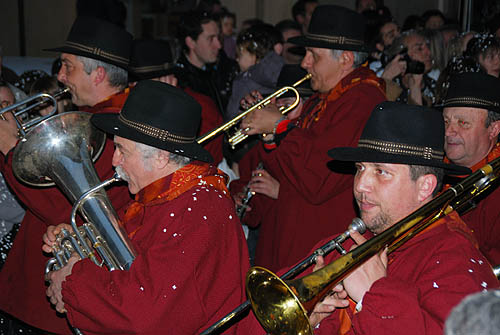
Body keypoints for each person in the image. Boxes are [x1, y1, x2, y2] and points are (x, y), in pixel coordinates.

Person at [237, 101, 499, 335]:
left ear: (425, 187)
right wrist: (310, 322)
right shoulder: (346, 245)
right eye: (360, 168)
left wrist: (373, 294)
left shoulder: (458, 261)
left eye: (381, 172)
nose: (361, 184)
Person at [43, 80, 250, 334]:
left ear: (161, 156)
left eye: (121, 150)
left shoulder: (199, 208)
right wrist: (78, 243)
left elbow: (147, 312)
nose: (114, 160)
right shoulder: (161, 196)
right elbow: (130, 266)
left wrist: (74, 279)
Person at [0, 16, 133, 334]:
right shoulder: (93, 118)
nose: (59, 76)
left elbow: (68, 209)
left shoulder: (109, 128)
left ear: (98, 73)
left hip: (53, 304)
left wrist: (9, 150)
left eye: (67, 67)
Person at [238, 5, 386, 271]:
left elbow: (318, 179)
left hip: (317, 246)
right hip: (290, 237)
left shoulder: (362, 99)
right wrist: (271, 135)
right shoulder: (325, 97)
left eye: (313, 55)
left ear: (345, 59)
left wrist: (281, 126)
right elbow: (286, 170)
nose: (305, 63)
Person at [129, 38, 224, 165]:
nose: (132, 87)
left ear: (168, 79)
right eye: (130, 83)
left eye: (140, 83)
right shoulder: (133, 103)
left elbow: (197, 164)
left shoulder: (201, 108)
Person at [441, 71, 500, 265]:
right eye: (446, 121)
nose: (449, 132)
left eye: (463, 123)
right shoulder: (431, 170)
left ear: (494, 129)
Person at [226, 24, 285, 121]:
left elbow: (232, 113)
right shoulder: (274, 74)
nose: (236, 59)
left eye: (239, 55)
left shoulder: (244, 81)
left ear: (254, 55)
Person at [176, 10, 225, 115]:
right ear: (191, 42)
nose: (219, 45)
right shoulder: (180, 83)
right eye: (210, 39)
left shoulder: (219, 72)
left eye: (218, 38)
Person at [382, 29, 437, 106]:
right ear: (402, 56)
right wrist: (386, 79)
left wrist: (415, 89)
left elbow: (421, 117)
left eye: (428, 47)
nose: (428, 53)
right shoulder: (392, 85)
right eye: (419, 49)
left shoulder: (433, 87)